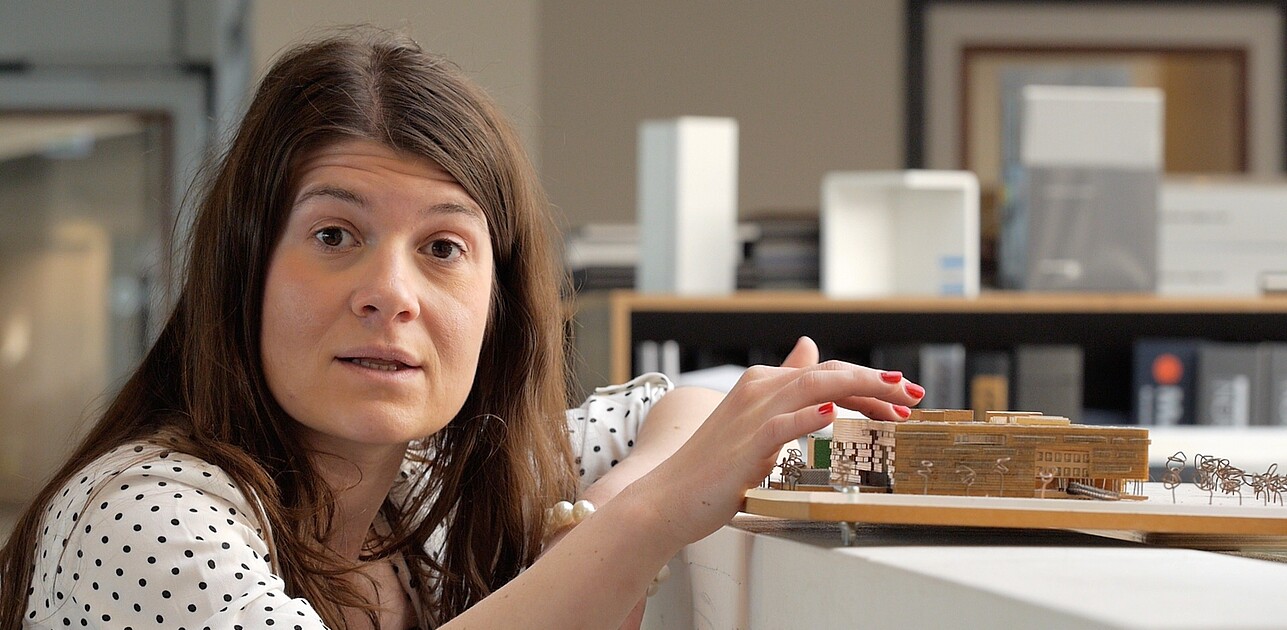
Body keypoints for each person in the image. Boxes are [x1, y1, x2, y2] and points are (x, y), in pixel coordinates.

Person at [0, 29, 924, 629]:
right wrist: (644, 522)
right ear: (242, 273)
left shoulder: (424, 484)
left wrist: (596, 517)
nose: (390, 293)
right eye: (334, 235)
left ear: (498, 302)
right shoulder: (136, 513)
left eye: (443, 247)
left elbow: (698, 399)